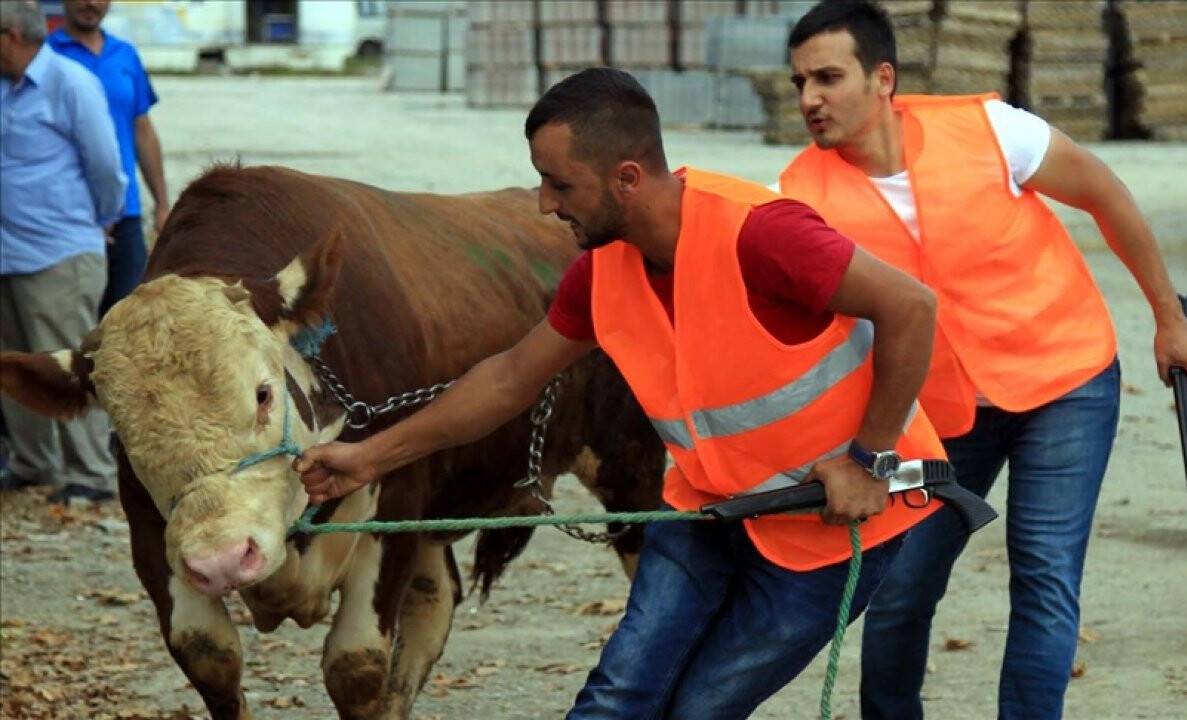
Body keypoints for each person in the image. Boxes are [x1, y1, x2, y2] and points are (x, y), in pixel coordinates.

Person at [295, 67, 949, 718]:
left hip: (833, 525)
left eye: (560, 184)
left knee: (699, 709)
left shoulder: (763, 233)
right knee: (617, 698)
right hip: (707, 509)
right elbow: (507, 379)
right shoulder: (601, 271)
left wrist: (870, 462)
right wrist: (367, 459)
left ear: (627, 180)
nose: (545, 203)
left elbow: (911, 307)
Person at [776, 2, 1187, 718]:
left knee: (1042, 575)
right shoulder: (799, 198)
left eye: (827, 77)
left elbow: (1104, 193)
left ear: (882, 78)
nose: (809, 99)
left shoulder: (991, 129)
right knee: (902, 589)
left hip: (1063, 382)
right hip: (936, 416)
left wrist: (1169, 317)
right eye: (798, 83)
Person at [0, 0, 127, 503]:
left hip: (58, 254)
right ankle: (33, 463)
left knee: (70, 365)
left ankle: (92, 473)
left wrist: (98, 221)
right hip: (7, 254)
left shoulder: (70, 83)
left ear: (10, 35)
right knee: (15, 365)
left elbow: (105, 167)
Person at [49, 0, 168, 316]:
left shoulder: (125, 54)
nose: (91, 3)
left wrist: (162, 203)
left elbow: (142, 129)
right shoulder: (45, 56)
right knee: (70, 325)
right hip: (70, 216)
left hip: (125, 212)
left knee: (127, 320)